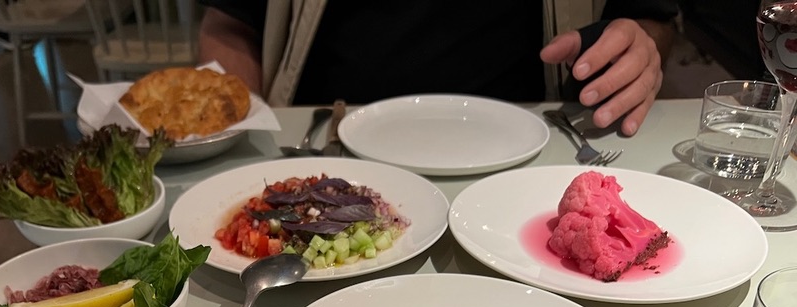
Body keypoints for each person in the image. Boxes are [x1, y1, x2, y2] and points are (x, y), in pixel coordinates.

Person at [197, 0, 678, 136]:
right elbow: (231, 23)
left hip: (541, 140)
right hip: (323, 138)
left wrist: (640, 46)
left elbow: (651, 18)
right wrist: (233, 126)